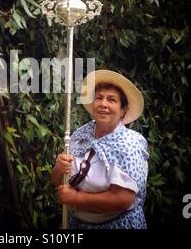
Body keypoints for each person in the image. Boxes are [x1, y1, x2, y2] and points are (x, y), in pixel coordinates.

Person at [51, 69, 148, 229]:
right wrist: (59, 168)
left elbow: (123, 199)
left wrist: (75, 198)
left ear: (123, 110)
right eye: (99, 98)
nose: (103, 104)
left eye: (111, 100)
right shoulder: (80, 135)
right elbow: (56, 181)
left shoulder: (131, 144)